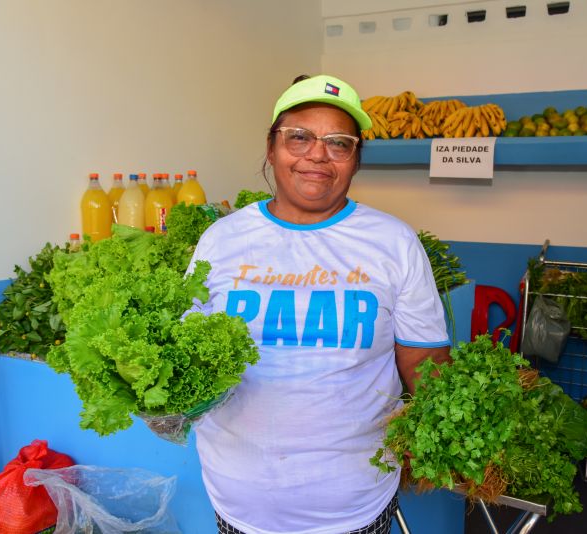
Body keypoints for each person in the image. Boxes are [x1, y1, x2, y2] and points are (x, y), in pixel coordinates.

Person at [187, 74, 451, 534]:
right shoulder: (222, 240)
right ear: (271, 148)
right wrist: (166, 406)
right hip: (240, 501)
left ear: (355, 160)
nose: (317, 155)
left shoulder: (394, 242)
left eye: (338, 143)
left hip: (356, 504)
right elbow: (186, 351)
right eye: (299, 137)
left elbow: (424, 362)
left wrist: (444, 433)